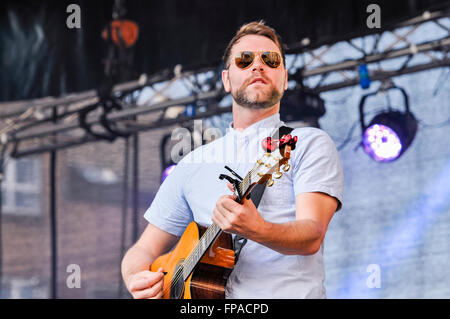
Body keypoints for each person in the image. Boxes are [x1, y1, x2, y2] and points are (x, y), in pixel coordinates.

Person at [121, 20, 344, 299]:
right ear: (226, 79)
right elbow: (142, 250)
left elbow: (312, 235)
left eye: (270, 60)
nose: (258, 65)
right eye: (244, 59)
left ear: (284, 79)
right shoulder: (192, 163)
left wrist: (258, 229)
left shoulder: (307, 143)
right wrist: (136, 276)